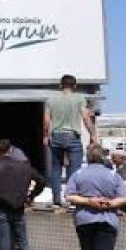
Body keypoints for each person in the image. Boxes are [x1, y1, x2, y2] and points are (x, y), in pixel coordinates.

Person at [65, 147, 126, 250]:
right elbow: (124, 198)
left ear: (88, 158)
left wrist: (88, 201)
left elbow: (69, 196)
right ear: (103, 158)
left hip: (84, 220)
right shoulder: (113, 175)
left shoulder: (78, 174)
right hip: (107, 220)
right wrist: (109, 203)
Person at [44, 74, 98, 206]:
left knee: (56, 169)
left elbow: (46, 120)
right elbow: (85, 118)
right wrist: (93, 134)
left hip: (56, 136)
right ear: (75, 86)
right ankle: (72, 199)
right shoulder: (79, 98)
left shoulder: (51, 99)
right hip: (72, 136)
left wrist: (46, 136)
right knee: (74, 170)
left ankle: (57, 200)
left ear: (60, 85)